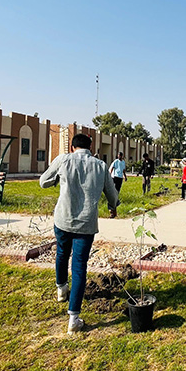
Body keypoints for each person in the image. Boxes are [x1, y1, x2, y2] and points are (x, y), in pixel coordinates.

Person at [40, 133, 117, 334]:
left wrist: (58, 178)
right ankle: (73, 318)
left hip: (63, 219)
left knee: (61, 254)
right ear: (90, 147)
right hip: (86, 224)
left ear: (73, 147)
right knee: (80, 266)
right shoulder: (100, 165)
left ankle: (61, 289)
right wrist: (112, 207)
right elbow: (111, 192)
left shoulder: (63, 159)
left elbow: (43, 181)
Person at [109, 152, 127, 218]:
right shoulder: (116, 161)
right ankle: (114, 202)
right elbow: (112, 168)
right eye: (118, 155)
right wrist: (109, 176)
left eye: (120, 155)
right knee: (114, 189)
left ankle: (116, 197)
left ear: (122, 156)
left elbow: (123, 170)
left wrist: (125, 176)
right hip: (115, 176)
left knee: (118, 189)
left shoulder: (123, 162)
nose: (119, 156)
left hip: (120, 177)